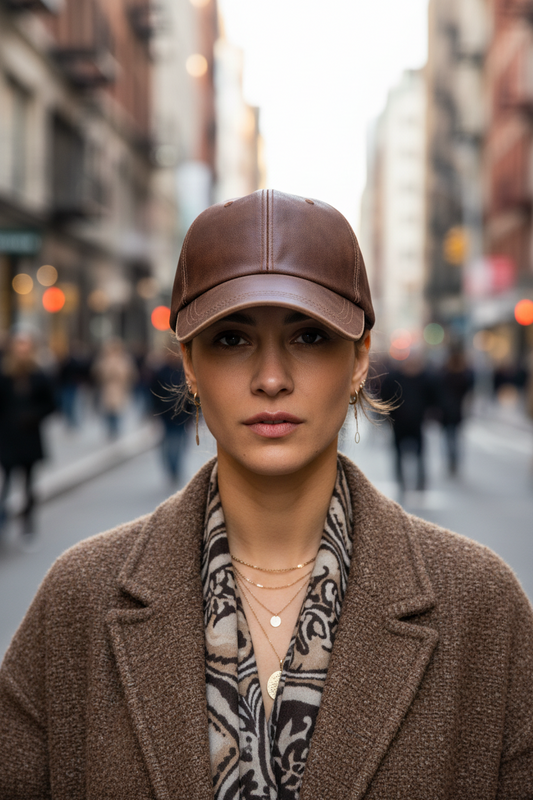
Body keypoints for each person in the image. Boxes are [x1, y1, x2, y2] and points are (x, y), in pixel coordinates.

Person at [0, 190, 532, 799]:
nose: (271, 378)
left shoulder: (483, 608)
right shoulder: (79, 602)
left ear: (360, 358)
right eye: (232, 338)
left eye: (309, 337)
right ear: (189, 363)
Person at [0, 332, 56, 533]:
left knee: (29, 483)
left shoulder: (39, 375)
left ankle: (28, 523)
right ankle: (3, 520)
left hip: (30, 437)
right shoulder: (5, 375)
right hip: (7, 437)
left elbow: (51, 404)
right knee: (6, 480)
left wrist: (34, 416)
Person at [380, 349, 437, 493]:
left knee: (420, 454)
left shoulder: (425, 377)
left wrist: (431, 412)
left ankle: (421, 482)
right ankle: (401, 482)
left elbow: (433, 396)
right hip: (398, 421)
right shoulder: (394, 377)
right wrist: (387, 415)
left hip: (417, 421)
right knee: (398, 454)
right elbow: (384, 397)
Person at [150, 348, 193, 481]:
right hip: (167, 413)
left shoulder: (185, 372)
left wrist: (192, 411)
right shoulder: (161, 372)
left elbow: (192, 392)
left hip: (183, 413)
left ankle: (175, 466)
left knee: (180, 442)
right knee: (170, 442)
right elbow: (154, 392)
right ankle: (172, 467)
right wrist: (155, 409)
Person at [436, 344, 474, 475]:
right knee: (454, 437)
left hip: (447, 410)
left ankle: (451, 460)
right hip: (456, 410)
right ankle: (454, 460)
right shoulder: (465, 374)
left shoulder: (444, 373)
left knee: (448, 437)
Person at [92, 338, 137, 438]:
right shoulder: (103, 359)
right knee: (108, 411)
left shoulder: (124, 359)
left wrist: (119, 375)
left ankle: (116, 429)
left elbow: (130, 374)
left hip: (119, 389)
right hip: (107, 389)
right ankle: (110, 430)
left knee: (118, 411)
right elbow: (97, 373)